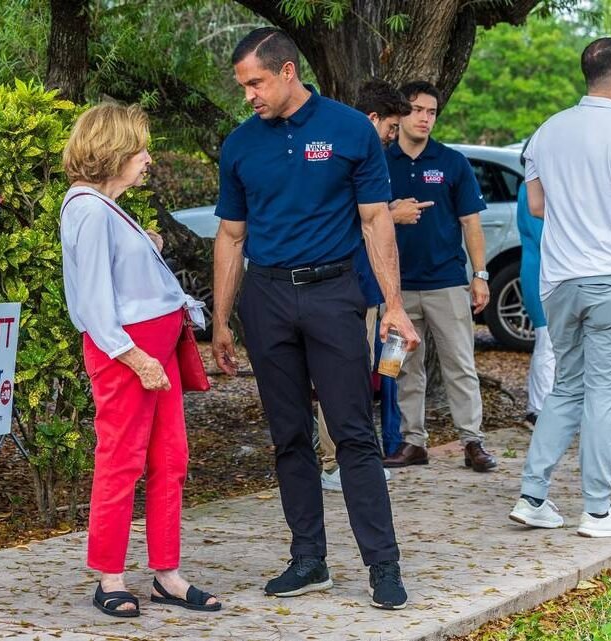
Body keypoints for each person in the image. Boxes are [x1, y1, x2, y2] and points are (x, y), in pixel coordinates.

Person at [212, 27, 421, 610]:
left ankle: (383, 565)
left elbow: (377, 221)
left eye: (254, 82)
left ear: (286, 72)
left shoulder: (350, 128)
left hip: (333, 294)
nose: (248, 94)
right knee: (289, 437)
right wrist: (222, 322)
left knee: (353, 433)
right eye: (242, 86)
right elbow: (231, 236)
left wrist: (395, 306)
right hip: (267, 297)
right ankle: (309, 559)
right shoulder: (240, 145)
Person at [60, 103, 221, 617]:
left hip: (156, 351)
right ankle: (109, 578)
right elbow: (90, 299)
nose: (149, 158)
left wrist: (143, 244)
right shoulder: (86, 207)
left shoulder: (107, 207)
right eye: (141, 147)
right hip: (128, 355)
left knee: (169, 461)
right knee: (121, 462)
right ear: (115, 149)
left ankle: (166, 574)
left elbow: (119, 271)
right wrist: (134, 356)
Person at [508, 38, 611, 538]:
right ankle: (598, 509)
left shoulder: (547, 132)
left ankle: (533, 495)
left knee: (566, 388)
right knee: (605, 394)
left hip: (558, 280)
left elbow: (535, 205)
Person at [381, 80, 498, 472]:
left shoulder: (452, 162)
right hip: (395, 290)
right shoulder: (379, 162)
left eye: (432, 112)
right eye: (417, 110)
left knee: (460, 364)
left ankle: (472, 442)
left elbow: (471, 223)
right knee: (400, 367)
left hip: (446, 283)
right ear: (400, 114)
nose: (425, 118)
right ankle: (412, 442)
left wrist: (479, 275)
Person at [316, 79, 426, 491]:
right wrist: (389, 218)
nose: (393, 137)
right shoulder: (338, 157)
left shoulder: (364, 157)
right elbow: (340, 221)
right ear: (373, 119)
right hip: (340, 289)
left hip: (368, 290)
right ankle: (333, 463)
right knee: (340, 378)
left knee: (365, 376)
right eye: (391, 127)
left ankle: (355, 457)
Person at [516, 173, 554, 430]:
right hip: (540, 273)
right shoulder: (531, 188)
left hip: (551, 273)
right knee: (547, 341)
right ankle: (537, 410)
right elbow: (542, 235)